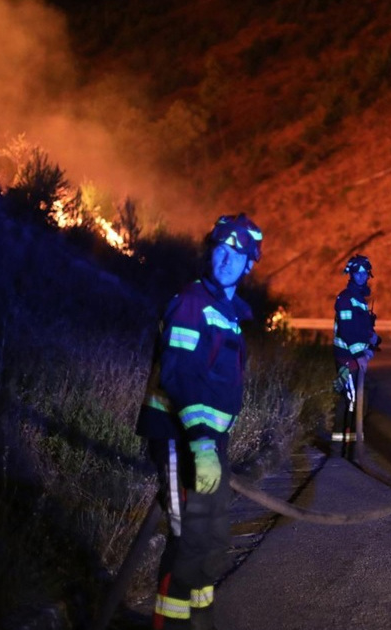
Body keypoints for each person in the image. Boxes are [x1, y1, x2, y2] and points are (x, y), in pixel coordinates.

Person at [134, 214, 263, 630]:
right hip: (180, 436)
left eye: (236, 254)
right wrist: (203, 443)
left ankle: (200, 617)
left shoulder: (228, 311)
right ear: (210, 252)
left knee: (213, 535)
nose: (225, 259)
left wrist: (212, 442)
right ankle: (172, 623)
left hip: (210, 441)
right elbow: (181, 376)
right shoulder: (193, 302)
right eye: (220, 250)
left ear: (249, 264)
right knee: (188, 535)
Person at [332, 254, 379, 450]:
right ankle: (341, 448)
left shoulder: (359, 299)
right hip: (347, 357)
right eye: (357, 272)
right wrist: (359, 355)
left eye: (364, 273)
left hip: (355, 357)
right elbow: (347, 329)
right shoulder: (346, 298)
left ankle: (351, 445)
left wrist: (372, 337)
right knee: (352, 401)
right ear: (350, 274)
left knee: (356, 399)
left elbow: (360, 327)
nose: (361, 276)